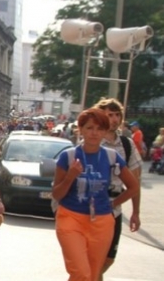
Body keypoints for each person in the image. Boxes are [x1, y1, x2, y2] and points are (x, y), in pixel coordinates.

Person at [52, 108, 139, 281]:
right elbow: (57, 194)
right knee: (81, 272)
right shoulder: (68, 156)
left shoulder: (112, 156)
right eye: (90, 128)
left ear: (105, 132)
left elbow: (133, 187)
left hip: (102, 222)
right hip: (71, 218)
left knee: (92, 275)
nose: (94, 133)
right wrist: (70, 177)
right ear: (81, 129)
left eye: (100, 129)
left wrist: (113, 204)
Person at [92, 98, 142, 280]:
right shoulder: (93, 140)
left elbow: (135, 181)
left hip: (115, 208)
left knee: (108, 259)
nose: (114, 119)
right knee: (94, 260)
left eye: (117, 115)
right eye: (109, 115)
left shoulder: (127, 144)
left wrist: (136, 212)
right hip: (93, 208)